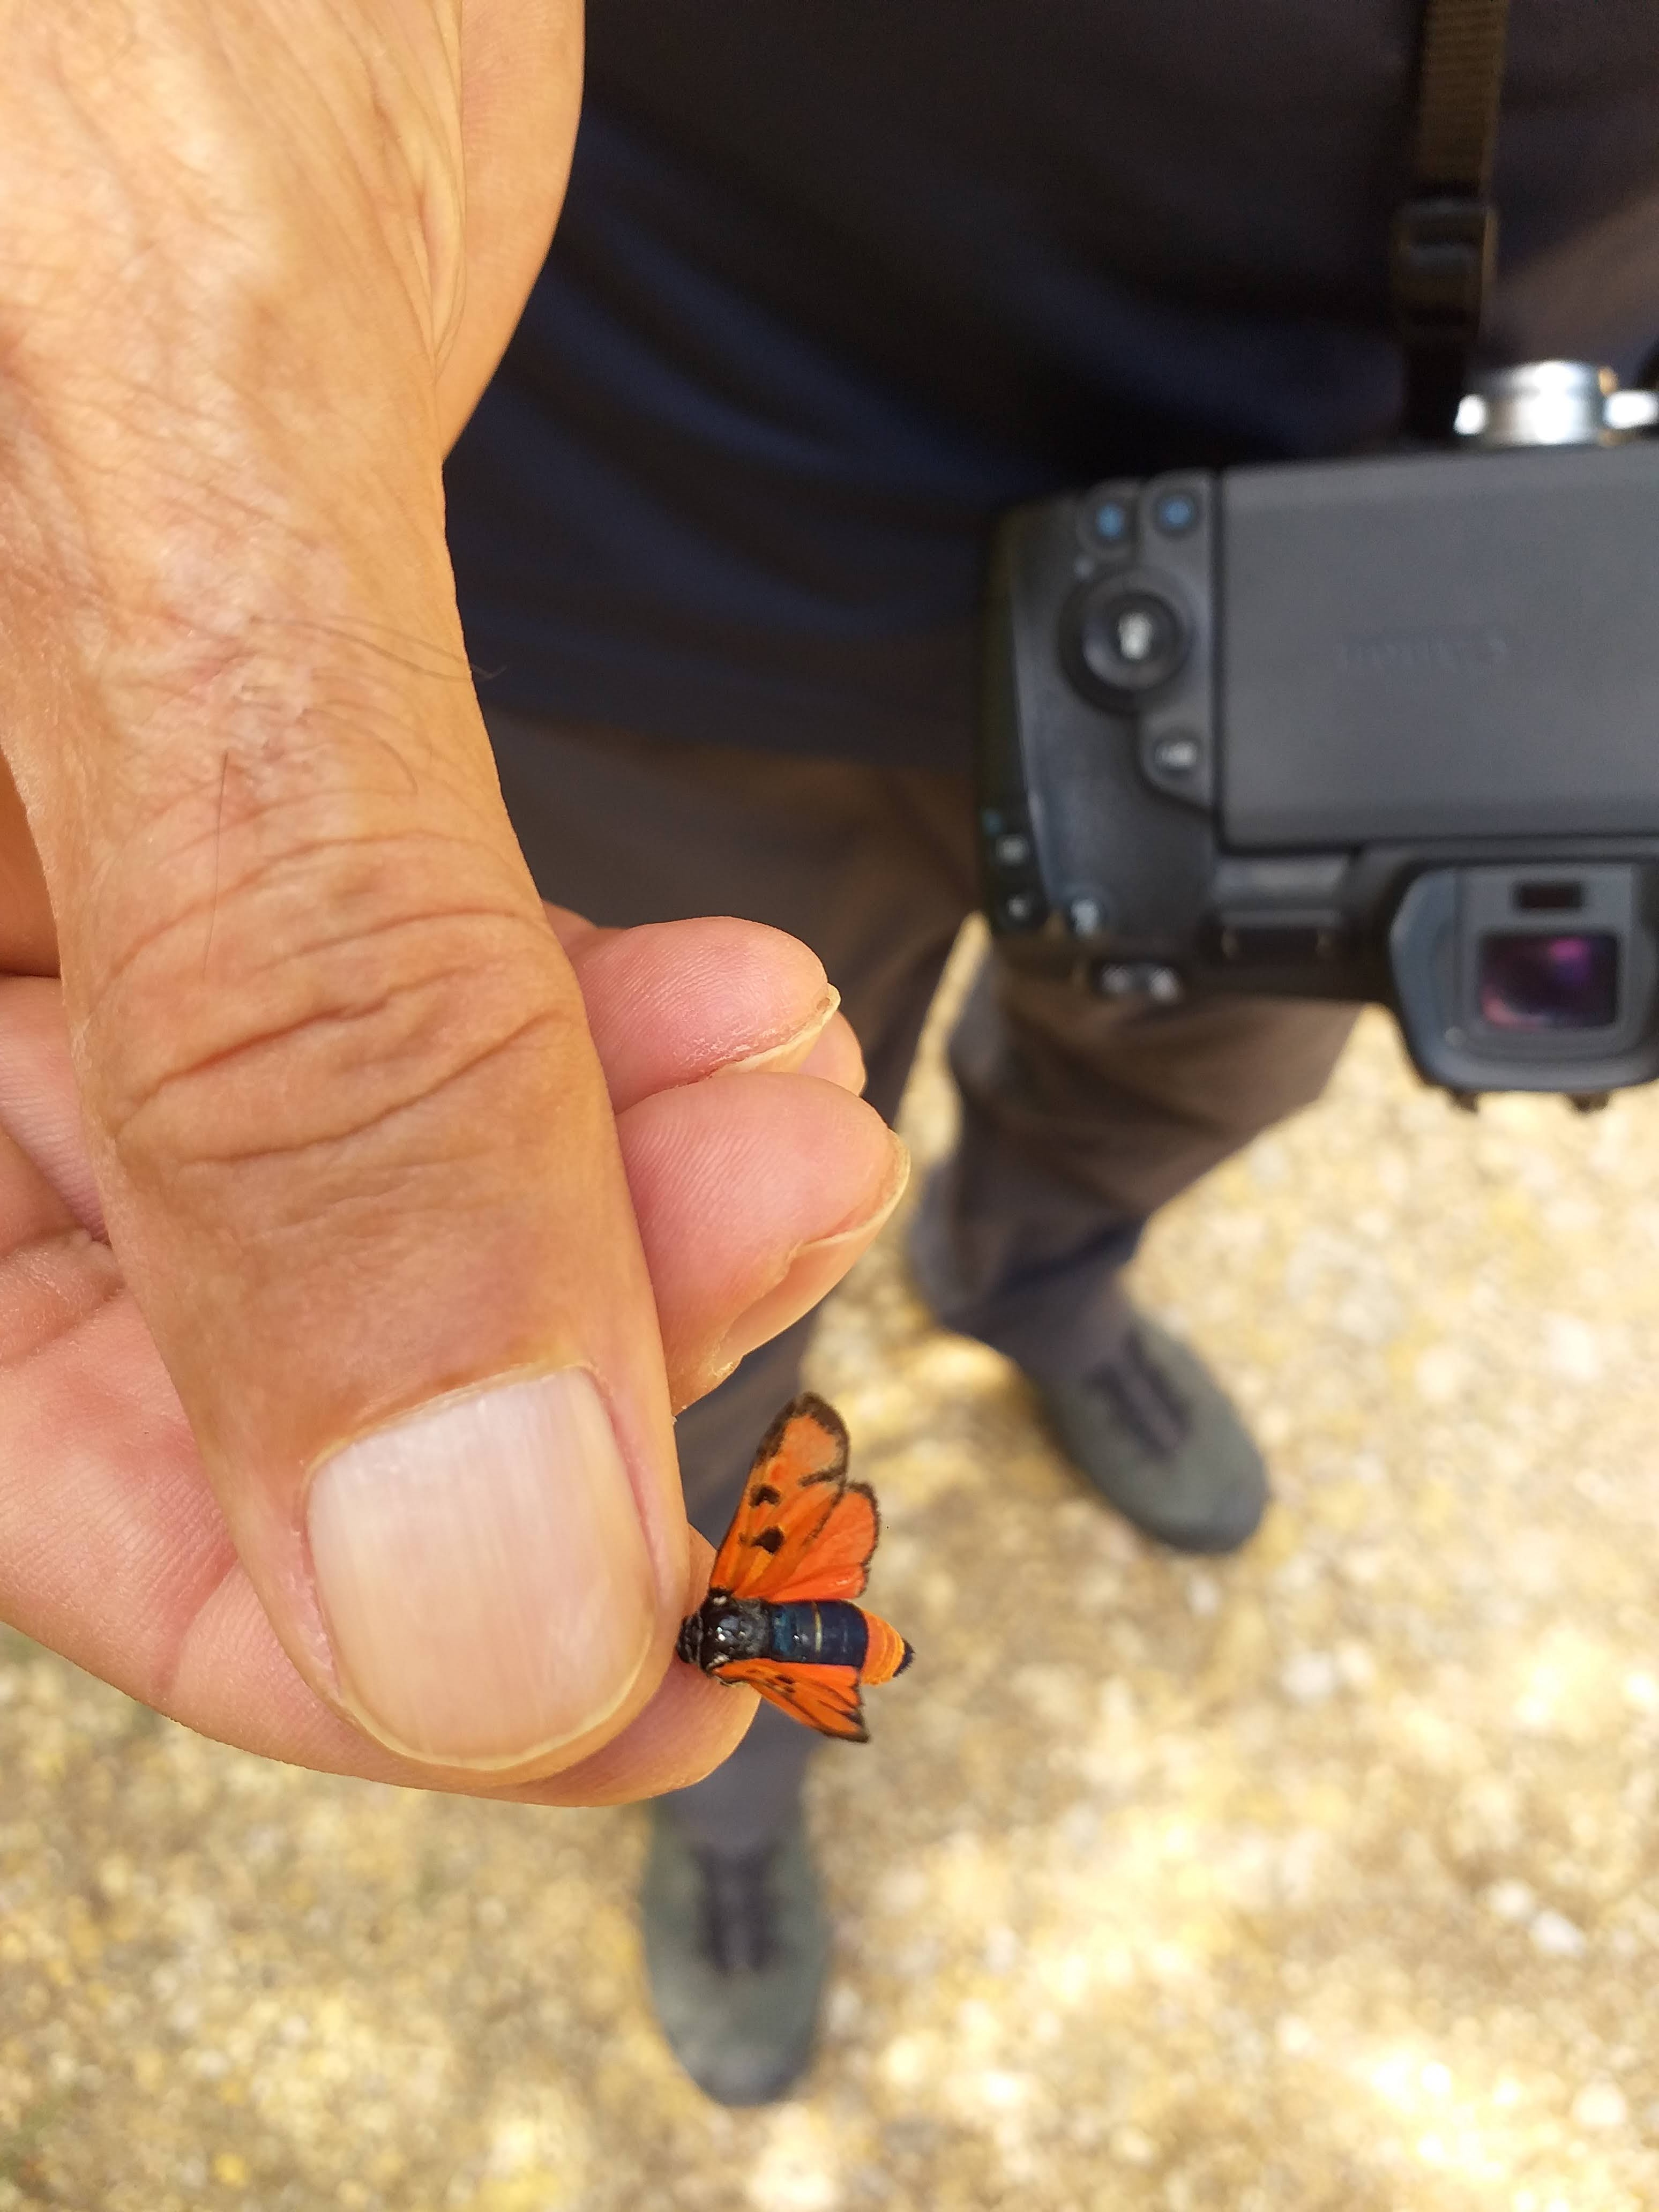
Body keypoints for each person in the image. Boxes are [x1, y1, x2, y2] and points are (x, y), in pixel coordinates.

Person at [0, 0, 1654, 2110]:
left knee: (1189, 1088)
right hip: (670, 525)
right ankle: (718, 1700)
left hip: (1383, 598)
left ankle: (1035, 1282)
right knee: (656, 1250)